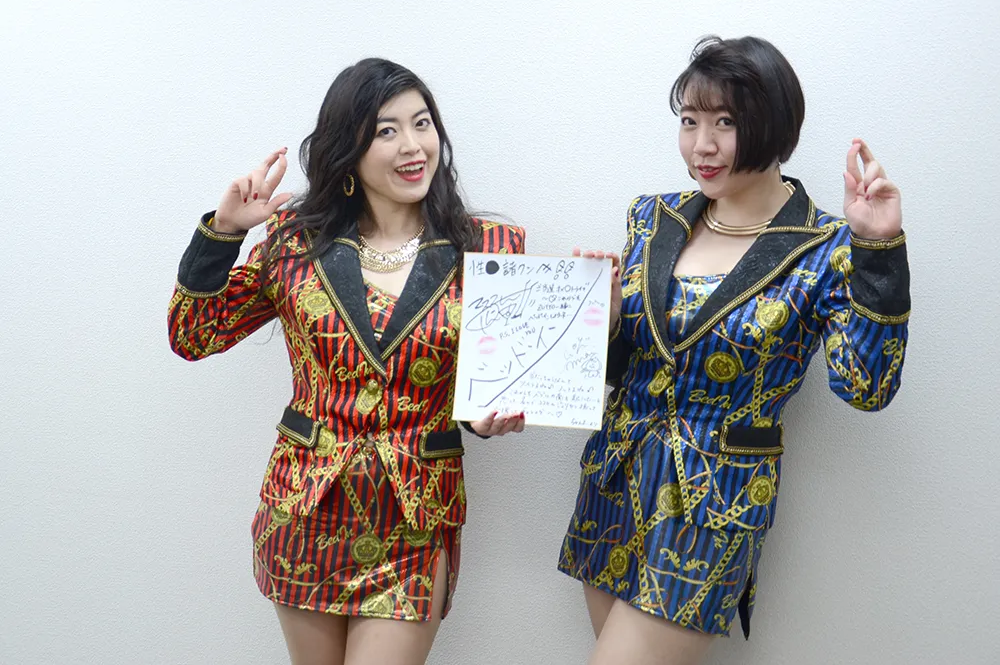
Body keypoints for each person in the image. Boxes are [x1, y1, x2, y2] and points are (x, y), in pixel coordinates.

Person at [559, 36, 910, 665]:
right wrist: (606, 323)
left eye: (726, 122)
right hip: (614, 483)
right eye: (689, 121)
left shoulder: (825, 245)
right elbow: (632, 366)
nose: (703, 145)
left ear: (773, 125)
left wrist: (879, 251)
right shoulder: (653, 217)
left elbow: (868, 387)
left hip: (714, 503)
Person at [167, 58, 525, 665]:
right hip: (304, 505)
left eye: (422, 123)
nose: (413, 146)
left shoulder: (488, 248)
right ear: (348, 150)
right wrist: (224, 231)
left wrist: (485, 419)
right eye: (387, 130)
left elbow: (488, 379)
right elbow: (193, 335)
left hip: (415, 514)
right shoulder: (294, 239)